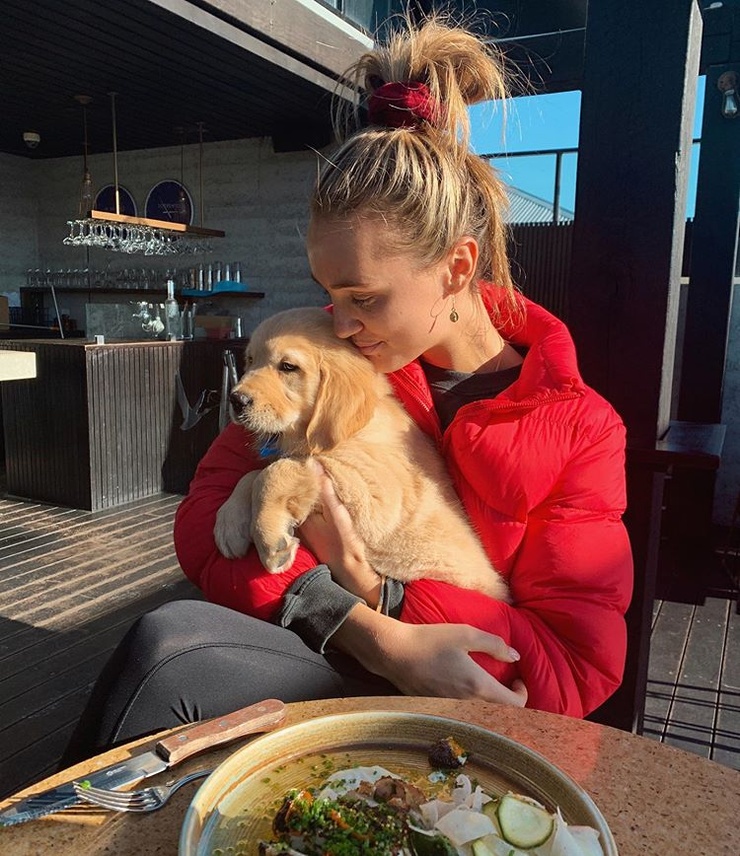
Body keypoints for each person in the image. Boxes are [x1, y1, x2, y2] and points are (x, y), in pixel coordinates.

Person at [62, 15, 632, 764]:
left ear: (457, 268)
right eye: (329, 292)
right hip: (336, 651)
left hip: (465, 718)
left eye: (363, 296)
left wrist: (388, 594)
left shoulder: (579, 427)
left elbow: (573, 668)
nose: (340, 320)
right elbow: (204, 529)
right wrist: (368, 625)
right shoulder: (332, 354)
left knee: (174, 657)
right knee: (167, 646)